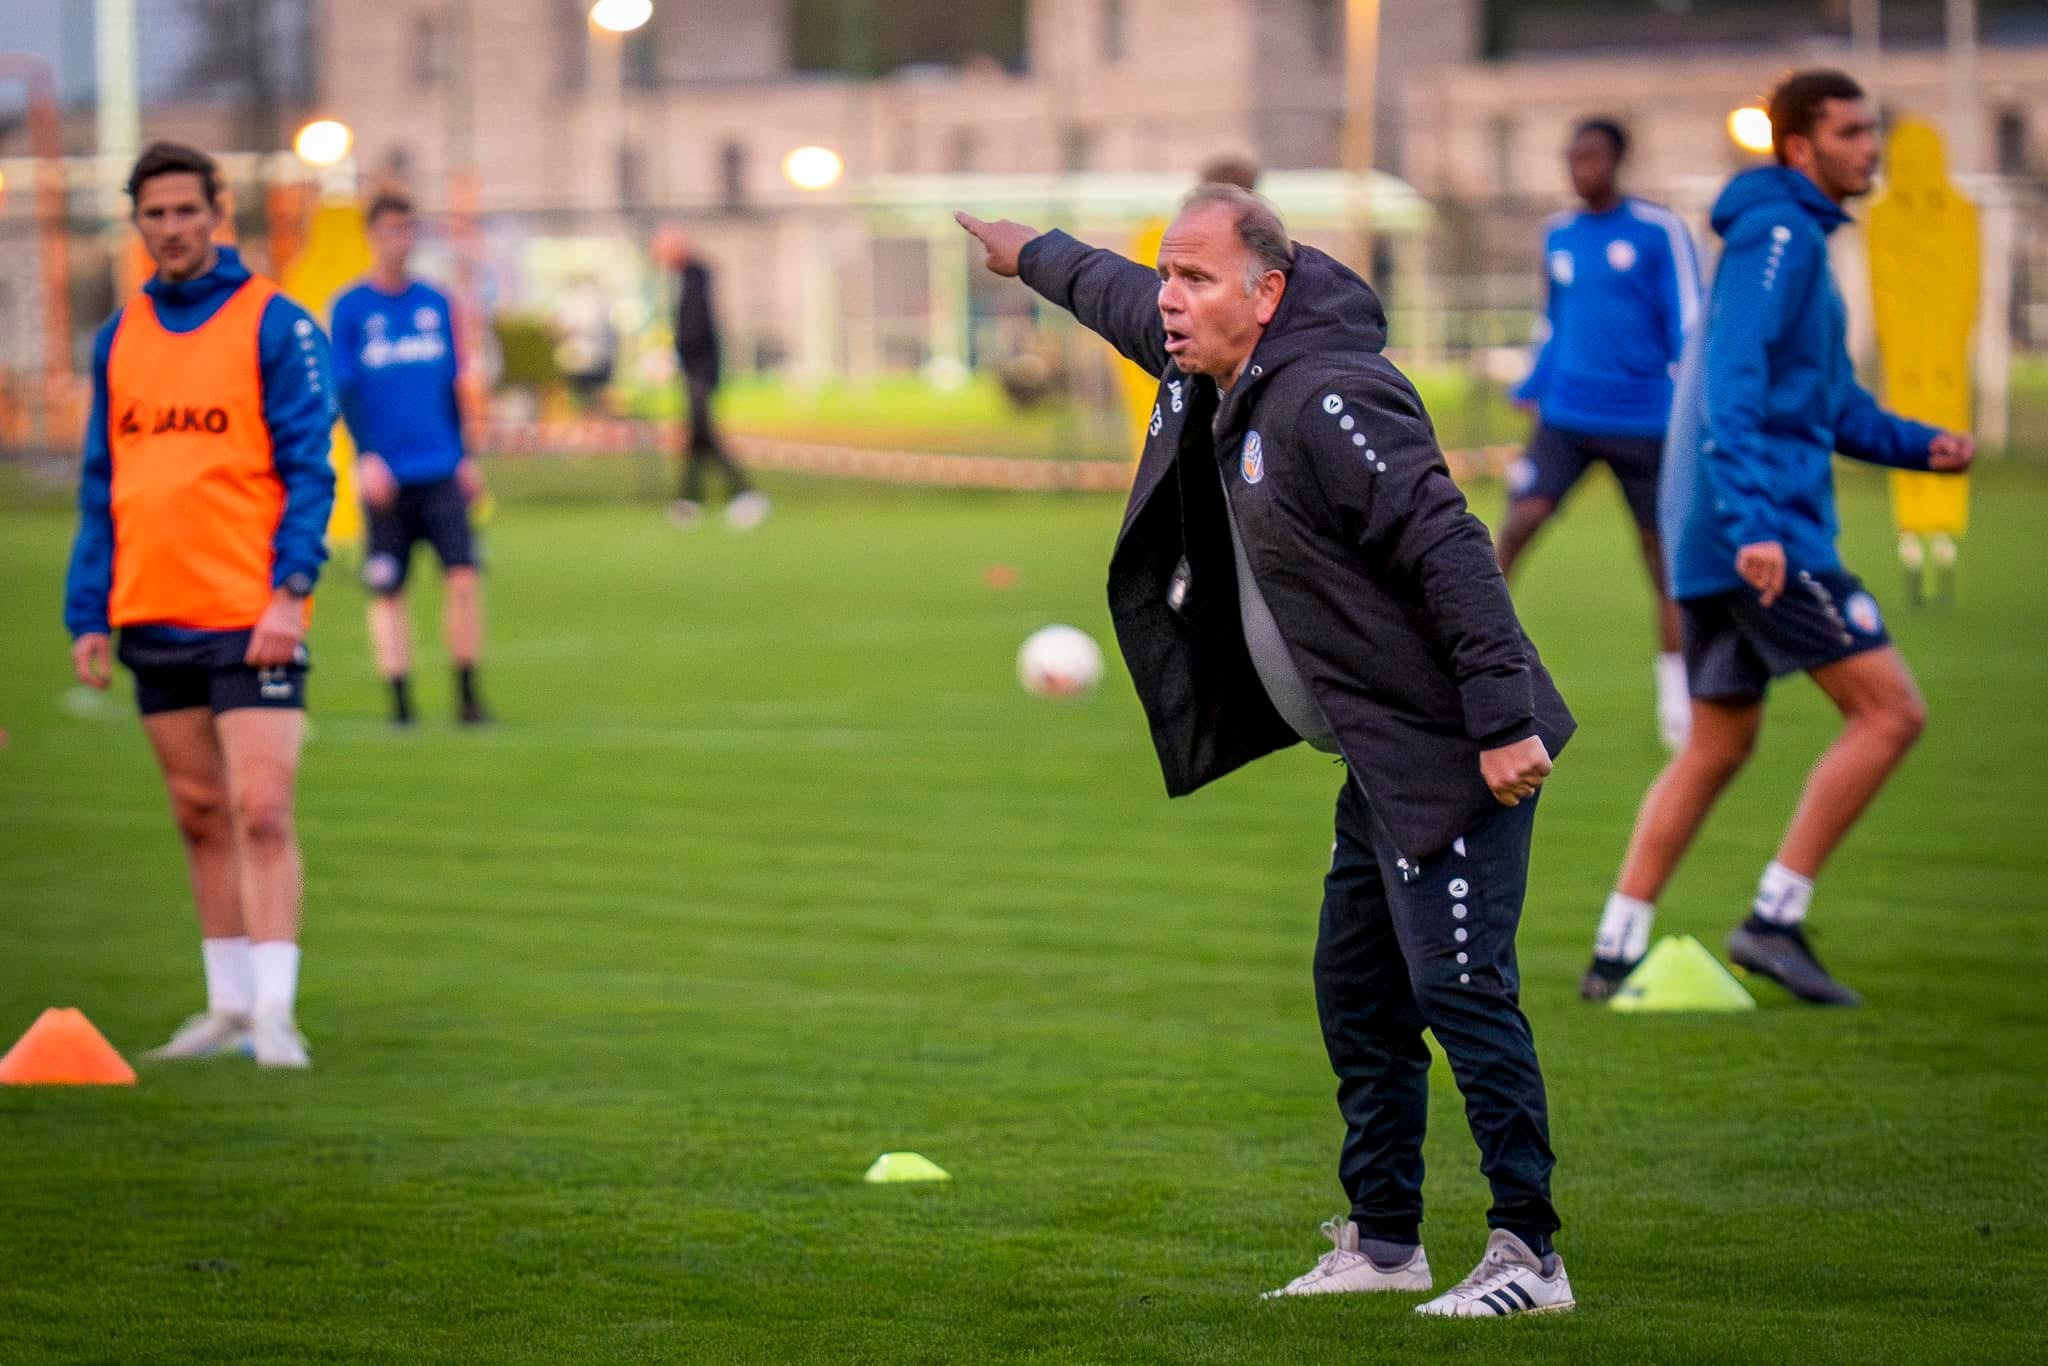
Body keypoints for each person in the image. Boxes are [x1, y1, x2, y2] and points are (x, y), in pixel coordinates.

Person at [958, 186, 1578, 1317]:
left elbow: (1451, 547)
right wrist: (1029, 253)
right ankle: (1384, 1243)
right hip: (1378, 760)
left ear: (1267, 293)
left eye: (1194, 278)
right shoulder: (1214, 361)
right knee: (1358, 995)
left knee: (1460, 991)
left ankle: (1529, 1256)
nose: (1169, 298)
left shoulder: (1329, 395)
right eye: (1169, 273)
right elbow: (1114, 294)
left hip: (1450, 748)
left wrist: (1500, 721)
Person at [1580, 71, 1975, 1005]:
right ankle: (1774, 919)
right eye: (1850, 133)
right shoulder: (1782, 235)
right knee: (1890, 714)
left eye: (1871, 131)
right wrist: (1756, 525)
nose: (1869, 149)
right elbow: (1733, 382)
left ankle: (1614, 949)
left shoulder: (1795, 237)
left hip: (1716, 533)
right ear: (1800, 147)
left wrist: (1919, 445)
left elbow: (1827, 403)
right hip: (1759, 534)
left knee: (1717, 744)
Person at [63, 141, 336, 1068]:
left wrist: (291, 591)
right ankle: (226, 1007)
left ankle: (276, 1014)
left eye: (187, 210)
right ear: (136, 223)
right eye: (156, 214)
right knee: (198, 813)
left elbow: (309, 469)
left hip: (252, 612)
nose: (172, 228)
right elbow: (103, 482)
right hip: (153, 607)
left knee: (262, 808)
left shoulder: (275, 323)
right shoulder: (118, 337)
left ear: (219, 213)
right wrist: (88, 610)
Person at [1505, 117, 1701, 750]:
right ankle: (1468, 656)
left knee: (1662, 558)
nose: (1579, 167)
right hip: (1567, 416)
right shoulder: (1558, 234)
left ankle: (1678, 692)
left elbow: (1689, 319)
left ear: (1618, 160)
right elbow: (1553, 320)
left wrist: (1691, 400)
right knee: (1517, 526)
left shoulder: (1657, 230)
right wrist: (1533, 382)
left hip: (1644, 419)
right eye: (1573, 156)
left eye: (1591, 156)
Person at [331, 192, 491, 726]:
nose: (400, 240)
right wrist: (367, 457)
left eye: (407, 229)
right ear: (372, 236)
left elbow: (452, 384)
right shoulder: (351, 308)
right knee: (388, 589)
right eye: (390, 230)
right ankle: (401, 704)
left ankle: (468, 697)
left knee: (463, 578)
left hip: (440, 467)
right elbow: (346, 390)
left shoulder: (436, 303)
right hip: (387, 475)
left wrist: (464, 456)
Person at [657, 229, 768, 530]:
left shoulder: (693, 279)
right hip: (697, 370)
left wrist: (675, 355)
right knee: (698, 437)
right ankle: (689, 500)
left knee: (703, 434)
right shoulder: (687, 278)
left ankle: (741, 494)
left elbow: (693, 328)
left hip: (700, 371)